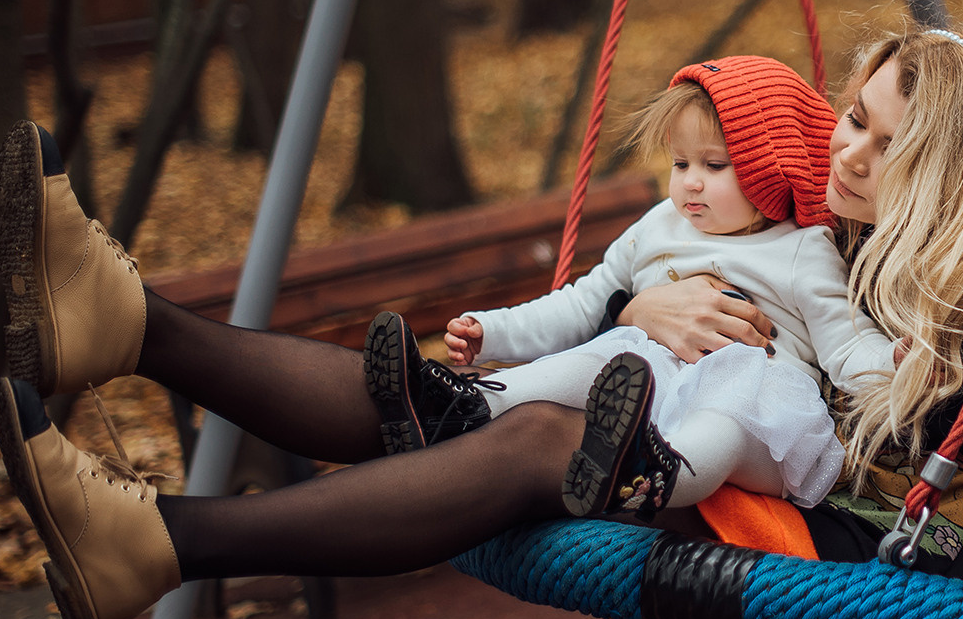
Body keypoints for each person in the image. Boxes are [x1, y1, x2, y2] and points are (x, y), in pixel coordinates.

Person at [0, 23, 963, 619]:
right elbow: (718, 253)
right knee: (468, 399)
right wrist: (640, 300)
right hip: (734, 459)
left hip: (854, 557)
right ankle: (128, 336)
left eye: (883, 134)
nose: (847, 143)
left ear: (942, 161)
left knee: (523, 433)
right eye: (852, 112)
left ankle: (164, 528)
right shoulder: (846, 234)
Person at [367, 55, 896, 520]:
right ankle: (463, 404)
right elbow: (582, 302)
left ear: (771, 170)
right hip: (651, 392)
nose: (690, 181)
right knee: (604, 355)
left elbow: (845, 342)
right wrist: (494, 330)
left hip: (764, 410)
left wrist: (897, 371)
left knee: (727, 417)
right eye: (680, 163)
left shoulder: (803, 249)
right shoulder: (657, 226)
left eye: (714, 166)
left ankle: (654, 475)